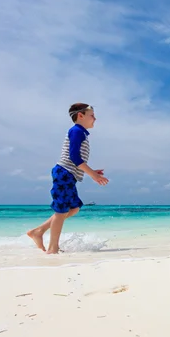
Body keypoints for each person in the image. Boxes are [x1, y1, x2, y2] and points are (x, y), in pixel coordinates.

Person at [27, 103, 109, 254]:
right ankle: (52, 248)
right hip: (64, 173)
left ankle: (39, 231)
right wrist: (93, 174)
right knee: (61, 211)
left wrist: (91, 171)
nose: (95, 118)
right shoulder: (76, 131)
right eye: (92, 115)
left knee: (73, 208)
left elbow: (76, 160)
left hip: (69, 175)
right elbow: (74, 157)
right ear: (80, 116)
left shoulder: (81, 133)